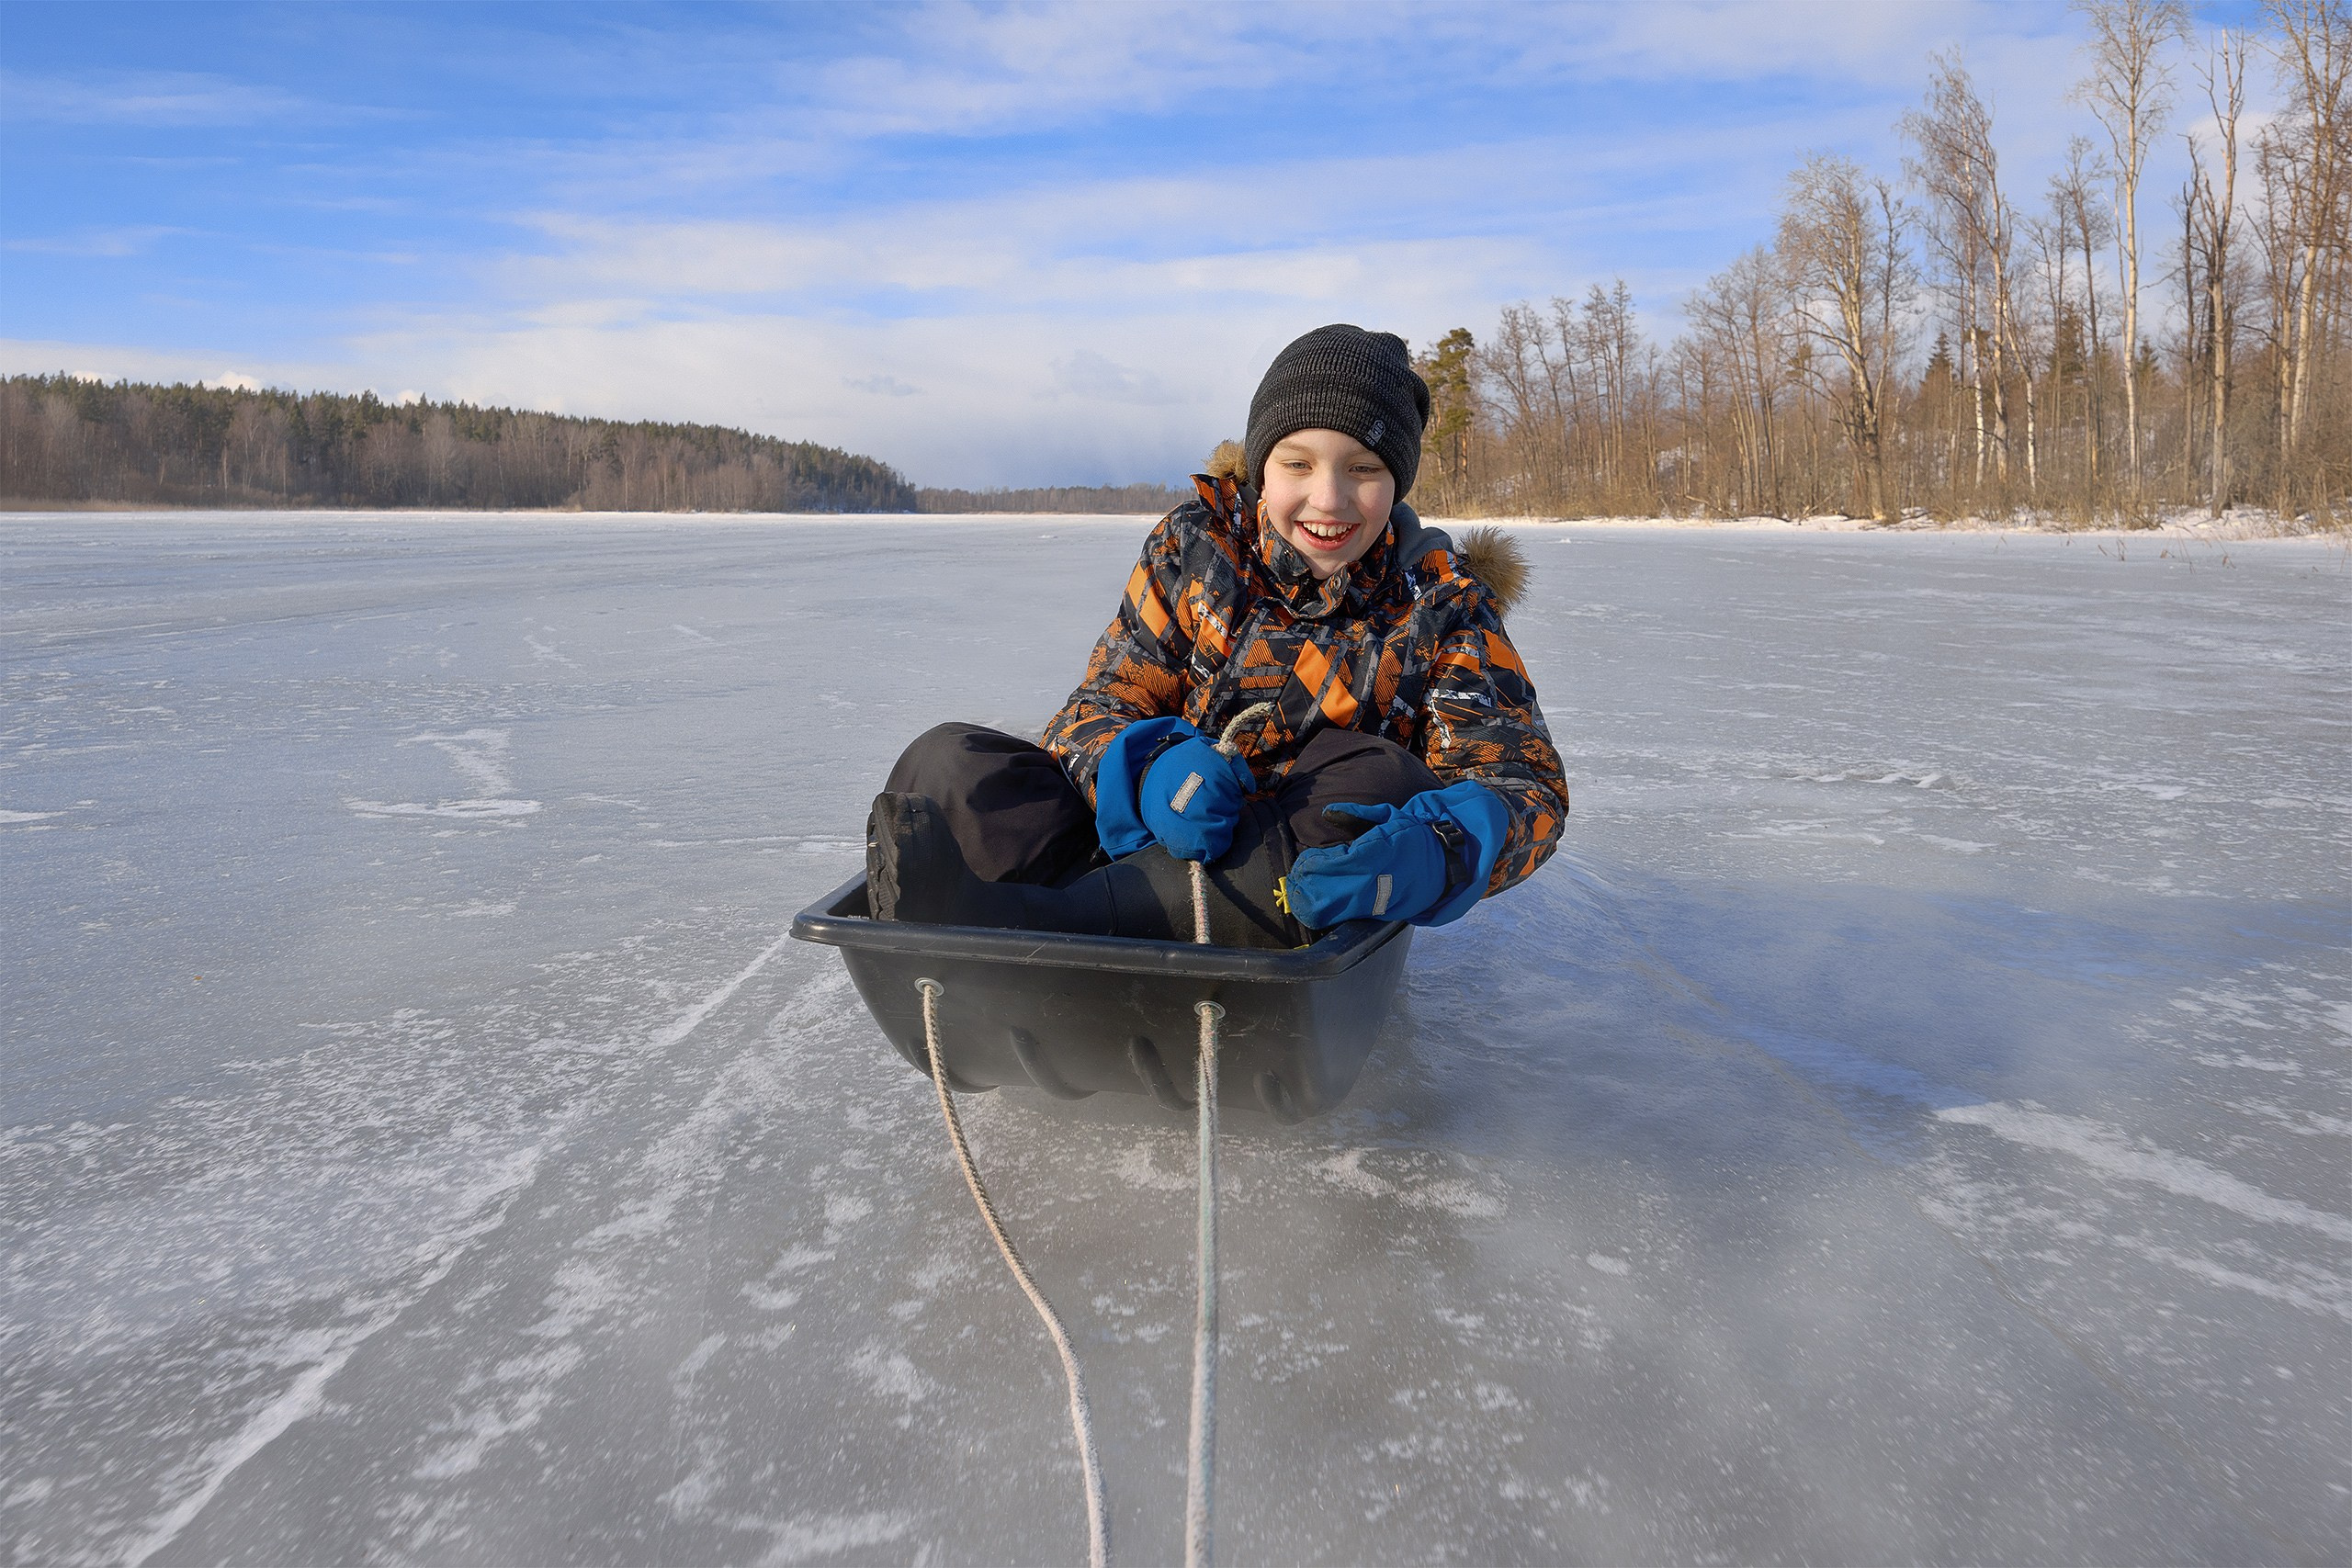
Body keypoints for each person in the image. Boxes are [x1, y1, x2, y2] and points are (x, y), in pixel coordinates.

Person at [866, 323, 1568, 946]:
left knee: (1379, 777)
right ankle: (1061, 909)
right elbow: (1093, 710)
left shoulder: (1440, 603)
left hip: (1287, 889)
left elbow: (1522, 782)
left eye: (1365, 468)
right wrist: (1147, 768)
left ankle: (1020, 924)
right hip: (1151, 834)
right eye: (1298, 463)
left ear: (1398, 481)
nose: (1328, 499)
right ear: (1262, 463)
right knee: (950, 765)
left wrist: (1439, 848)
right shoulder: (1198, 548)